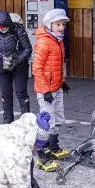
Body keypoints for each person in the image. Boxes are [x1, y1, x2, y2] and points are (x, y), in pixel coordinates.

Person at [31, 9, 70, 169]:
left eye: (63, 24)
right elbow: (37, 68)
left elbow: (58, 66)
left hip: (57, 87)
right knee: (46, 124)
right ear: (50, 25)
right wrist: (46, 90)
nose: (61, 28)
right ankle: (42, 156)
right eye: (58, 24)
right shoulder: (44, 42)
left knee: (59, 120)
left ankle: (53, 147)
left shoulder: (58, 40)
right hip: (46, 89)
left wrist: (63, 81)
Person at [0, 10, 33, 124]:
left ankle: (26, 122)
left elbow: (28, 49)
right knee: (5, 93)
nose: (1, 29)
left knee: (21, 93)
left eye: (2, 27)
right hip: (3, 64)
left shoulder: (18, 30)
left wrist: (17, 61)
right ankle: (7, 120)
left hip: (19, 65)